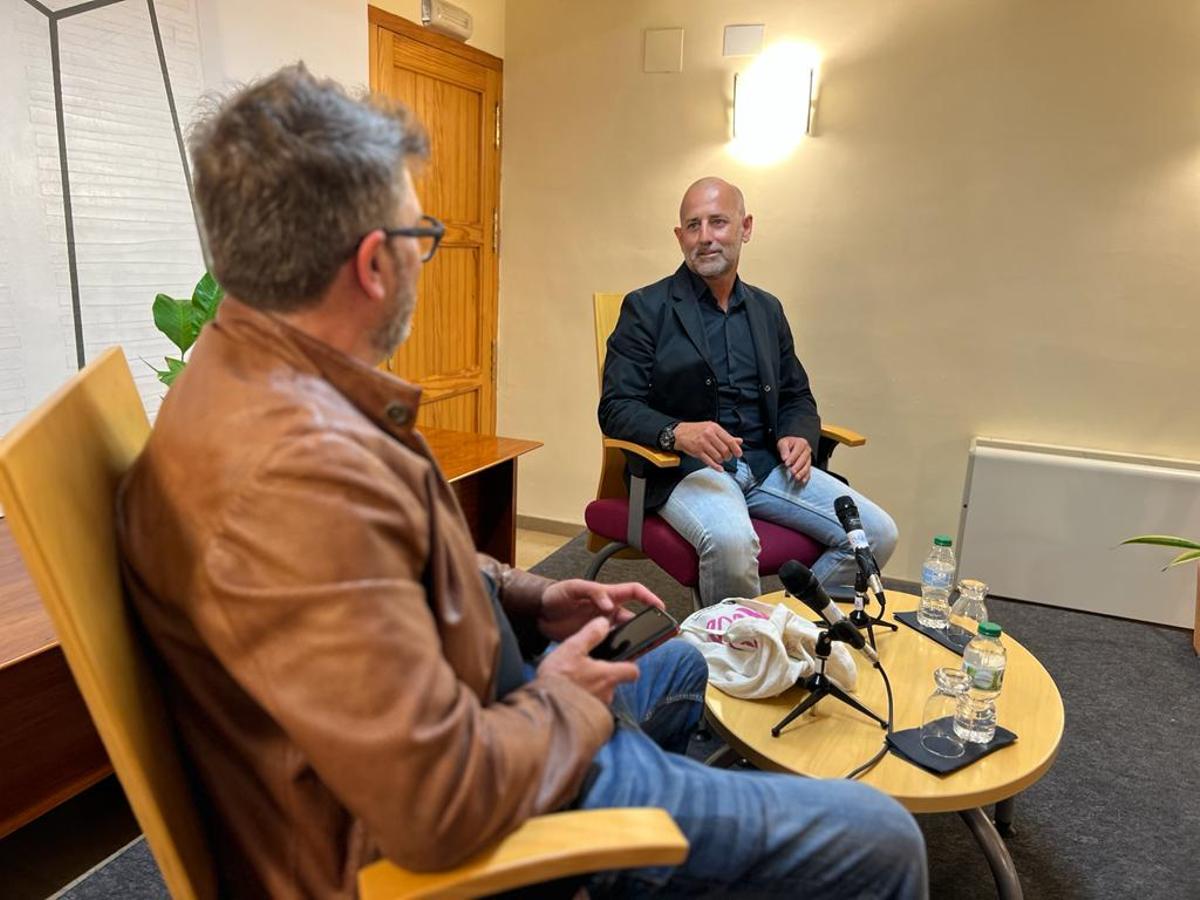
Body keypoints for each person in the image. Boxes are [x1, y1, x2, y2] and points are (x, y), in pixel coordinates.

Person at [118, 66, 926, 898]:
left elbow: (389, 571)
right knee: (884, 839)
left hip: (508, 708)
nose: (422, 258)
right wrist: (564, 702)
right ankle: (635, 849)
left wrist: (526, 594)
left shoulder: (265, 386)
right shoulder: (293, 482)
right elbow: (439, 804)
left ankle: (670, 846)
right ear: (372, 264)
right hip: (514, 799)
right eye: (419, 235)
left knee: (687, 658)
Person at [599, 177, 899, 608]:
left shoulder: (766, 309)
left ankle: (783, 627)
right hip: (686, 470)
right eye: (693, 225)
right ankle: (742, 660)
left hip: (766, 466)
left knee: (876, 534)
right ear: (679, 236)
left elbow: (797, 394)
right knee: (732, 543)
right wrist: (676, 431)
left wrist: (799, 433)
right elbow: (615, 408)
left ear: (746, 227)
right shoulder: (646, 308)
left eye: (718, 222)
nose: (705, 237)